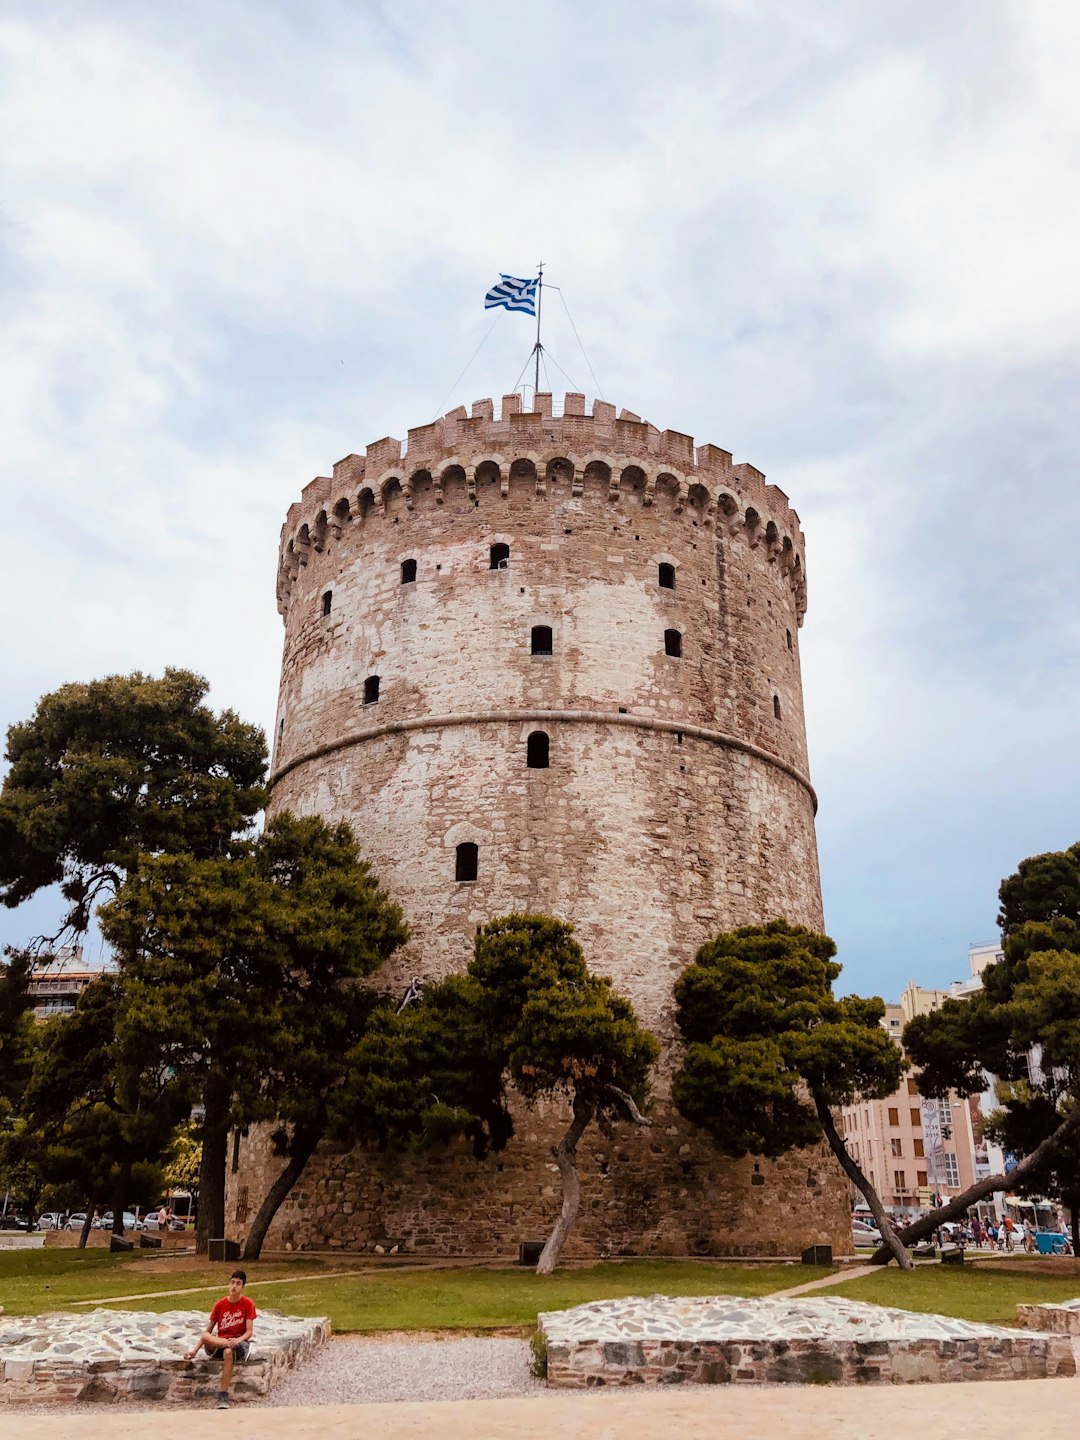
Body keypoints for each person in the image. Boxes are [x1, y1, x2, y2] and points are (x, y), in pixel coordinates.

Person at [184, 1269, 256, 1408]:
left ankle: (223, 1396)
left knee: (228, 1352)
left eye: (238, 1283)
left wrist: (238, 1340)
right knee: (207, 1337)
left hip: (238, 1343)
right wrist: (194, 1351)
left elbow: (249, 1332)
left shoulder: (248, 1304)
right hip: (220, 1343)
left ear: (242, 1287)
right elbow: (208, 1332)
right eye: (232, 1282)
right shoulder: (220, 1304)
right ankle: (229, 1344)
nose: (234, 1286)